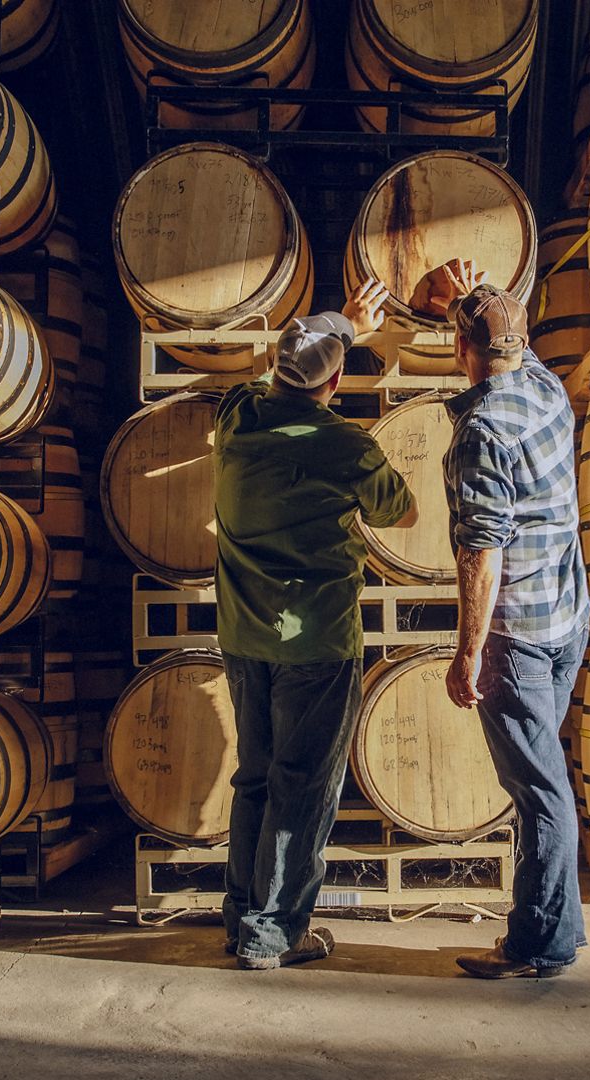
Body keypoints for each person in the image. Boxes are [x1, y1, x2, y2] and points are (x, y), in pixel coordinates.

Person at [213, 278, 417, 971]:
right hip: (317, 643)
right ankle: (273, 935)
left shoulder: (237, 417)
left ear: (277, 367)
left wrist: (339, 327)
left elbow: (262, 377)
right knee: (301, 788)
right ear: (336, 380)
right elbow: (401, 512)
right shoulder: (346, 446)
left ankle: (241, 918)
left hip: (243, 636)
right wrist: (353, 330)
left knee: (255, 778)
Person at [428, 260, 590, 980]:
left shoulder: (481, 433)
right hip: (567, 620)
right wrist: (472, 298)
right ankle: (547, 926)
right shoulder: (546, 387)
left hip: (517, 638)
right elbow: (498, 339)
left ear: (462, 351)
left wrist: (468, 653)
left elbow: (482, 557)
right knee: (542, 784)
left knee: (541, 791)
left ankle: (541, 943)